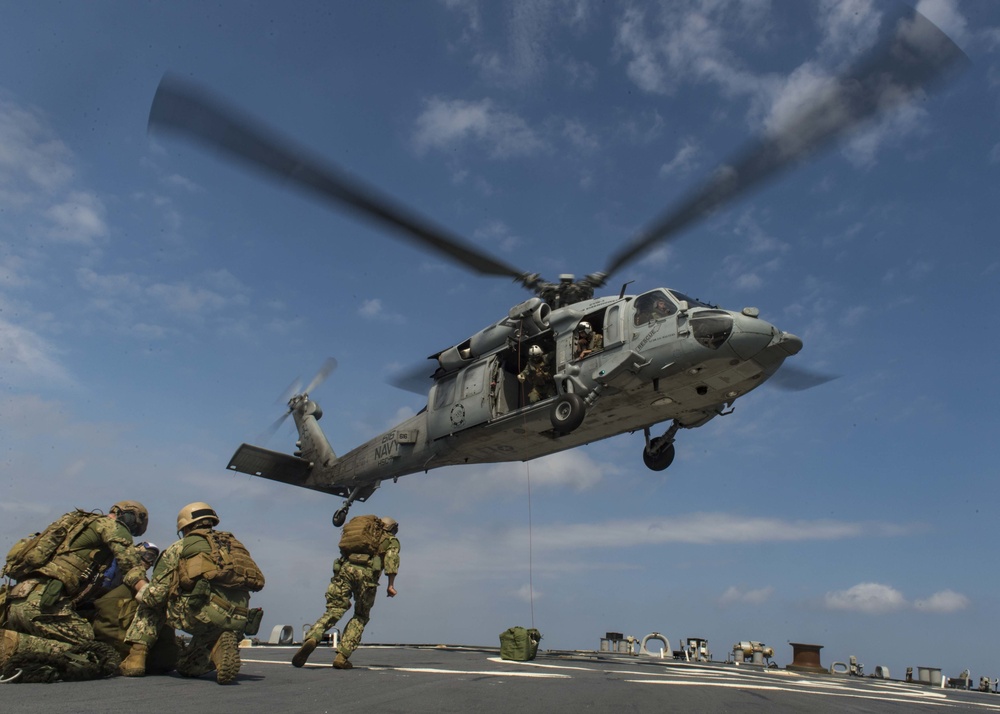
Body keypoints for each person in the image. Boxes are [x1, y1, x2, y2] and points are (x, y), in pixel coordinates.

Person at [119, 502, 265, 684]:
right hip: (237, 620)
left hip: (200, 614)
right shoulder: (234, 546)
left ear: (185, 526)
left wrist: (136, 580)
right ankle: (218, 647)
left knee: (151, 603)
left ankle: (136, 659)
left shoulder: (180, 547)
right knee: (186, 667)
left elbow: (155, 596)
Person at [4, 501, 150, 648]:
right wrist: (145, 590)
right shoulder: (112, 526)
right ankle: (14, 645)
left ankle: (14, 646)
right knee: (89, 645)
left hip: (16, 601)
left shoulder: (80, 524)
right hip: (42, 604)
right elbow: (129, 562)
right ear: (130, 517)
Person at [292, 515, 400, 670]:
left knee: (335, 609)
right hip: (367, 576)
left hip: (344, 571)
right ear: (391, 528)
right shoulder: (390, 540)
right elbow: (392, 560)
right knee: (361, 616)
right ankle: (342, 656)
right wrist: (391, 585)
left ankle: (313, 637)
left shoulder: (362, 535)